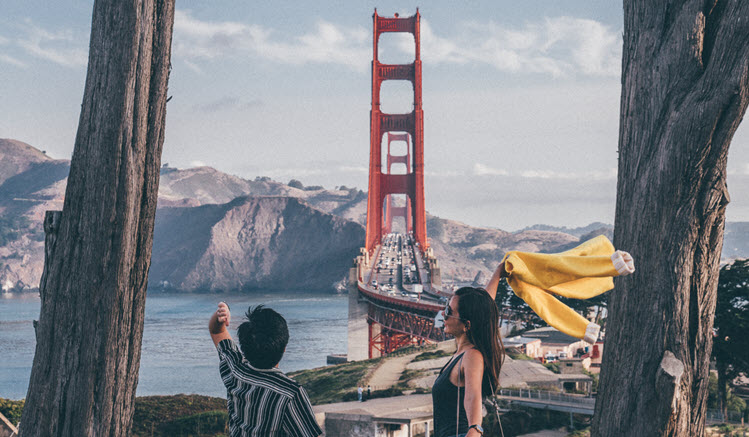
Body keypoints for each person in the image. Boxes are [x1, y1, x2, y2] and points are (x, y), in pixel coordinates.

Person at [209, 302, 322, 437]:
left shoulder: (236, 371)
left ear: (245, 346)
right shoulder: (290, 393)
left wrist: (220, 315)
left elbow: (217, 331)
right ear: (284, 348)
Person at [432, 263, 507, 437]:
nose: (443, 314)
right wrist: (497, 274)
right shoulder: (461, 354)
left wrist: (475, 429)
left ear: (467, 325)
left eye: (449, 311)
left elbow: (472, 397)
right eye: (446, 308)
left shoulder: (472, 356)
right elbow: (483, 308)